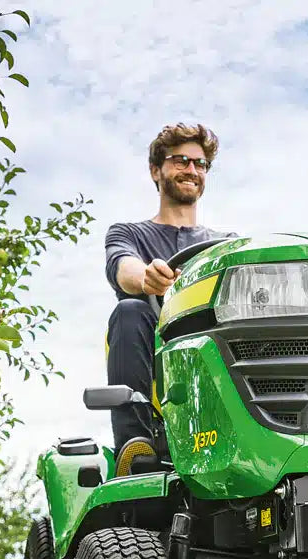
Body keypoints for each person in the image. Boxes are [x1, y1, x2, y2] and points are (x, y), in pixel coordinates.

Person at [104, 123, 237, 452]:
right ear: (155, 171)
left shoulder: (227, 246)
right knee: (130, 309)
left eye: (200, 164)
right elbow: (123, 267)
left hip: (213, 367)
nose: (192, 170)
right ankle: (135, 445)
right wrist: (147, 278)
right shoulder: (129, 234)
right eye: (180, 161)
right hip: (157, 365)